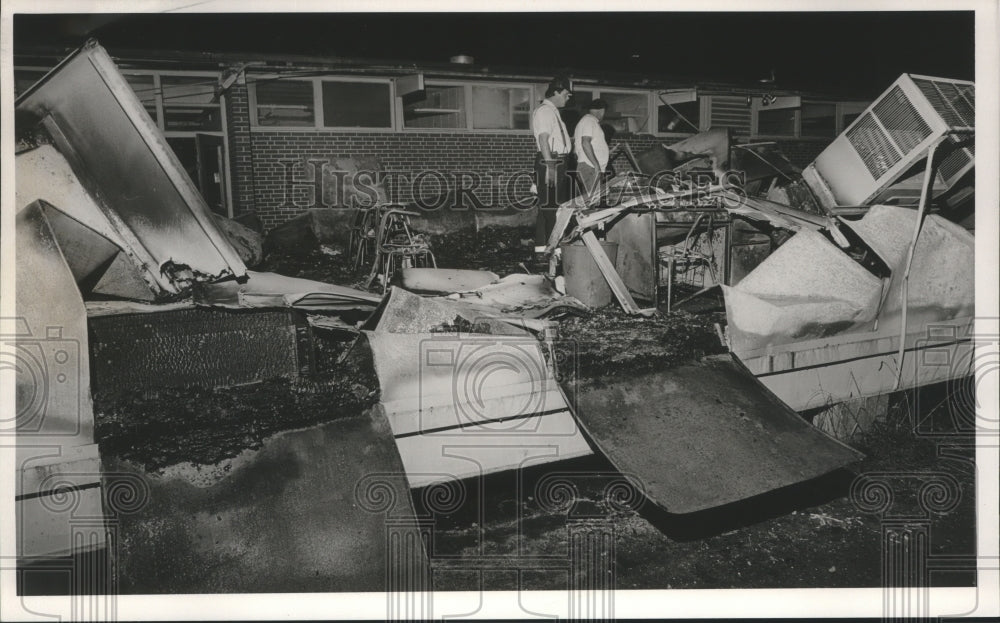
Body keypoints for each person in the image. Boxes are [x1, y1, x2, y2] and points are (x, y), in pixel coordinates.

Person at [530, 76, 574, 251]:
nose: (568, 97)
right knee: (552, 209)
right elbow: (543, 139)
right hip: (551, 161)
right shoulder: (545, 111)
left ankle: (542, 249)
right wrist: (550, 167)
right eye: (566, 94)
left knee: (547, 208)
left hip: (556, 160)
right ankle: (554, 250)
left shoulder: (552, 111)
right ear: (556, 92)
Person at [574, 99, 609, 197]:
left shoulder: (587, 121)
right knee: (593, 202)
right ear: (602, 110)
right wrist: (596, 165)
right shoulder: (589, 120)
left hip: (589, 167)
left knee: (591, 200)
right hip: (590, 168)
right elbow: (585, 142)